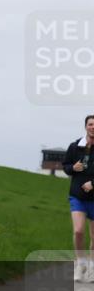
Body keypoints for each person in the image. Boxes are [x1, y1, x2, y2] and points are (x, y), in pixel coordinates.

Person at [63, 114, 94, 282]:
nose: (93, 127)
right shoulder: (75, 147)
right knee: (78, 231)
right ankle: (80, 262)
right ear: (86, 126)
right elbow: (66, 167)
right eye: (90, 124)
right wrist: (73, 168)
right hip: (78, 196)